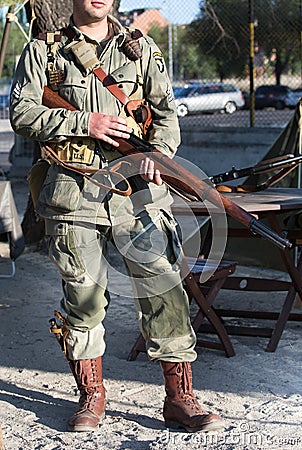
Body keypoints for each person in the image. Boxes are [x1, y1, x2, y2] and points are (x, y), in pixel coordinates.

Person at [10, 0, 224, 434]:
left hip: (140, 198)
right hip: (74, 193)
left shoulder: (141, 48)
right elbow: (21, 113)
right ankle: (91, 396)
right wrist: (83, 122)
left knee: (164, 291)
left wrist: (159, 155)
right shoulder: (43, 52)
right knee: (82, 298)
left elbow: (166, 115)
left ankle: (179, 398)